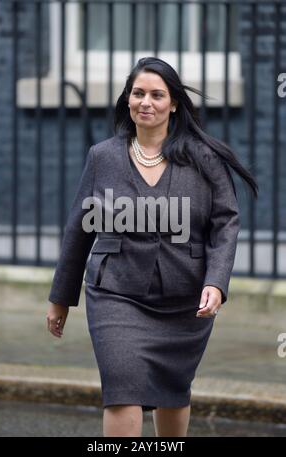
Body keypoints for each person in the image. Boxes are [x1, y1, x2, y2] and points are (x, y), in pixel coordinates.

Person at [47, 57, 258, 437]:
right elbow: (79, 229)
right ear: (127, 99)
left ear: (173, 103)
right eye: (138, 93)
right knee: (123, 390)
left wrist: (217, 281)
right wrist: (61, 297)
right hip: (115, 294)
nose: (146, 101)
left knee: (173, 392)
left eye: (157, 95)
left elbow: (225, 221)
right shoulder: (103, 157)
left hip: (184, 300)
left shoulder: (203, 157)